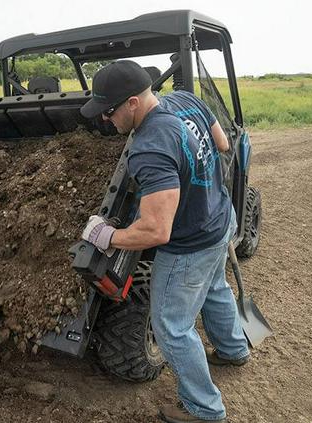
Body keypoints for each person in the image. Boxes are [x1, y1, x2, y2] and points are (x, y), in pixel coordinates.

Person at [80, 61, 250, 423]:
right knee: (215, 287)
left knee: (172, 327)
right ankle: (234, 349)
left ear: (132, 103)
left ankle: (205, 410)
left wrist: (107, 235)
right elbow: (221, 144)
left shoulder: (148, 148)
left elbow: (157, 232)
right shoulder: (187, 100)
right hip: (220, 218)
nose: (105, 120)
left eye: (108, 112)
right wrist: (196, 185)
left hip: (191, 244)